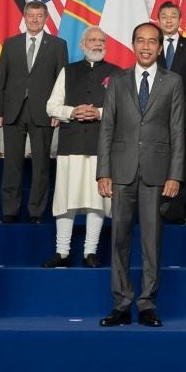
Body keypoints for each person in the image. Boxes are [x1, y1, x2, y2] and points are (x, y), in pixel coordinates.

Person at [95, 22, 185, 328]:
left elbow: (177, 131)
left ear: (160, 47)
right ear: (133, 45)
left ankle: (147, 304)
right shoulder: (117, 81)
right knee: (119, 240)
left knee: (151, 242)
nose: (146, 47)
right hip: (120, 171)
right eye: (140, 41)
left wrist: (175, 175)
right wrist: (103, 170)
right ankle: (121, 304)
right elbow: (107, 127)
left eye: (152, 42)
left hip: (156, 173)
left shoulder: (172, 82)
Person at [41, 26, 118, 267]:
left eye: (101, 40)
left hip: (101, 146)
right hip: (70, 143)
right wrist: (72, 111)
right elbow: (51, 107)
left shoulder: (117, 73)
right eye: (92, 40)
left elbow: (124, 110)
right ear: (82, 45)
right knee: (66, 199)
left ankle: (90, 253)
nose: (97, 44)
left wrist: (99, 112)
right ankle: (62, 252)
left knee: (97, 200)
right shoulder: (68, 71)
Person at [0, 0, 67, 223]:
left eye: (39, 16)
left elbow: (61, 81)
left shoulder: (57, 45)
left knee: (41, 166)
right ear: (24, 18)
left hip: (43, 112)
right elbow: (1, 78)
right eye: (31, 16)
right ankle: (10, 211)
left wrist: (59, 112)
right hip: (13, 110)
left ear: (46, 19)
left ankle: (36, 212)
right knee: (11, 164)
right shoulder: (11, 43)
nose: (34, 20)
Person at [153, 1, 186, 225]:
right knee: (157, 160)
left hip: (183, 115)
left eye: (172, 16)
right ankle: (156, 208)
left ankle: (176, 210)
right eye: (164, 16)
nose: (168, 20)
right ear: (158, 20)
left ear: (179, 20)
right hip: (155, 114)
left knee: (181, 162)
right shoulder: (152, 45)